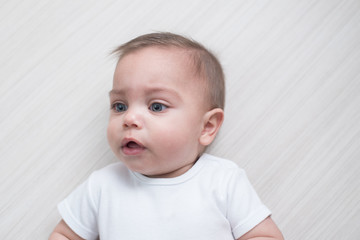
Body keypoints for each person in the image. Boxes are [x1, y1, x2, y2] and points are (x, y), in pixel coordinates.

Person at [49, 32, 284, 240]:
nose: (129, 119)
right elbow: (64, 234)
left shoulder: (223, 180)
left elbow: (264, 235)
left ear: (207, 127)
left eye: (157, 106)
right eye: (120, 106)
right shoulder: (102, 185)